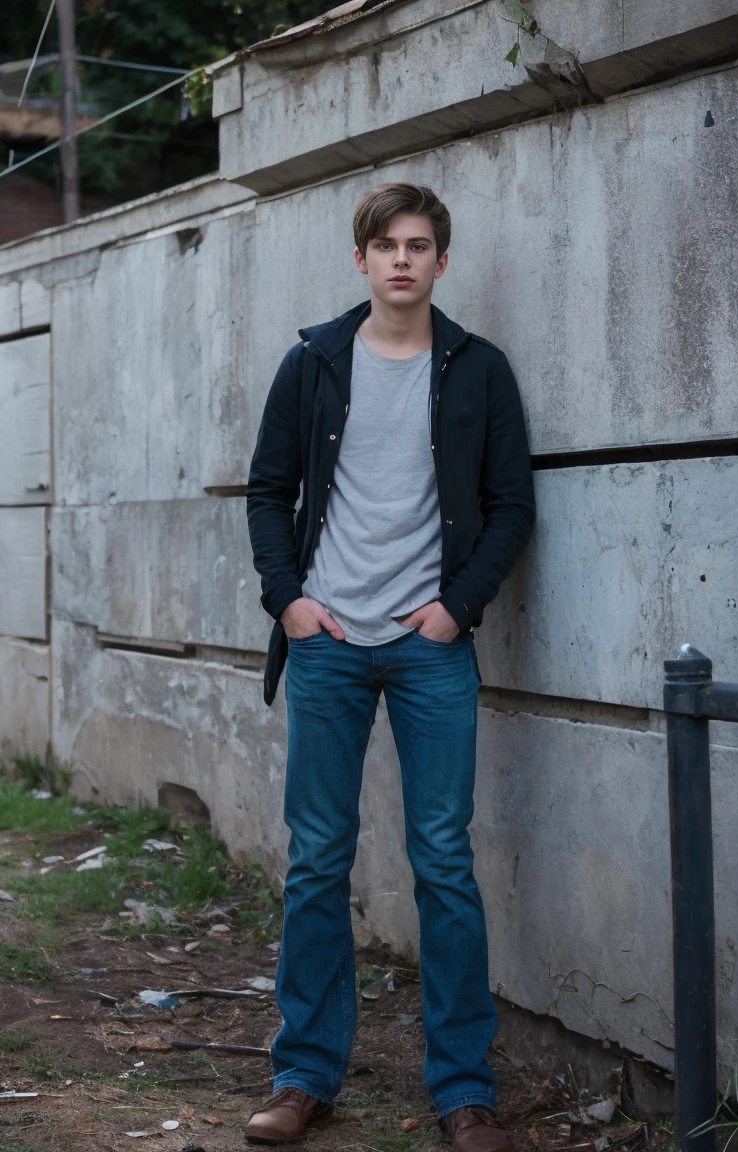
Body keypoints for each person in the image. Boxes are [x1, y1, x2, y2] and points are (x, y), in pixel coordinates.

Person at [244, 182, 535, 1149]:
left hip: (427, 648)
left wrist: (457, 609)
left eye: (419, 245)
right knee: (320, 859)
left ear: (441, 262)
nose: (402, 259)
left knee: (443, 863)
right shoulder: (314, 365)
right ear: (361, 259)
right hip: (327, 644)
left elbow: (511, 508)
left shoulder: (478, 370)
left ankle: (463, 1091)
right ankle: (304, 1077)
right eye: (386, 244)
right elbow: (267, 491)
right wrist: (289, 600)